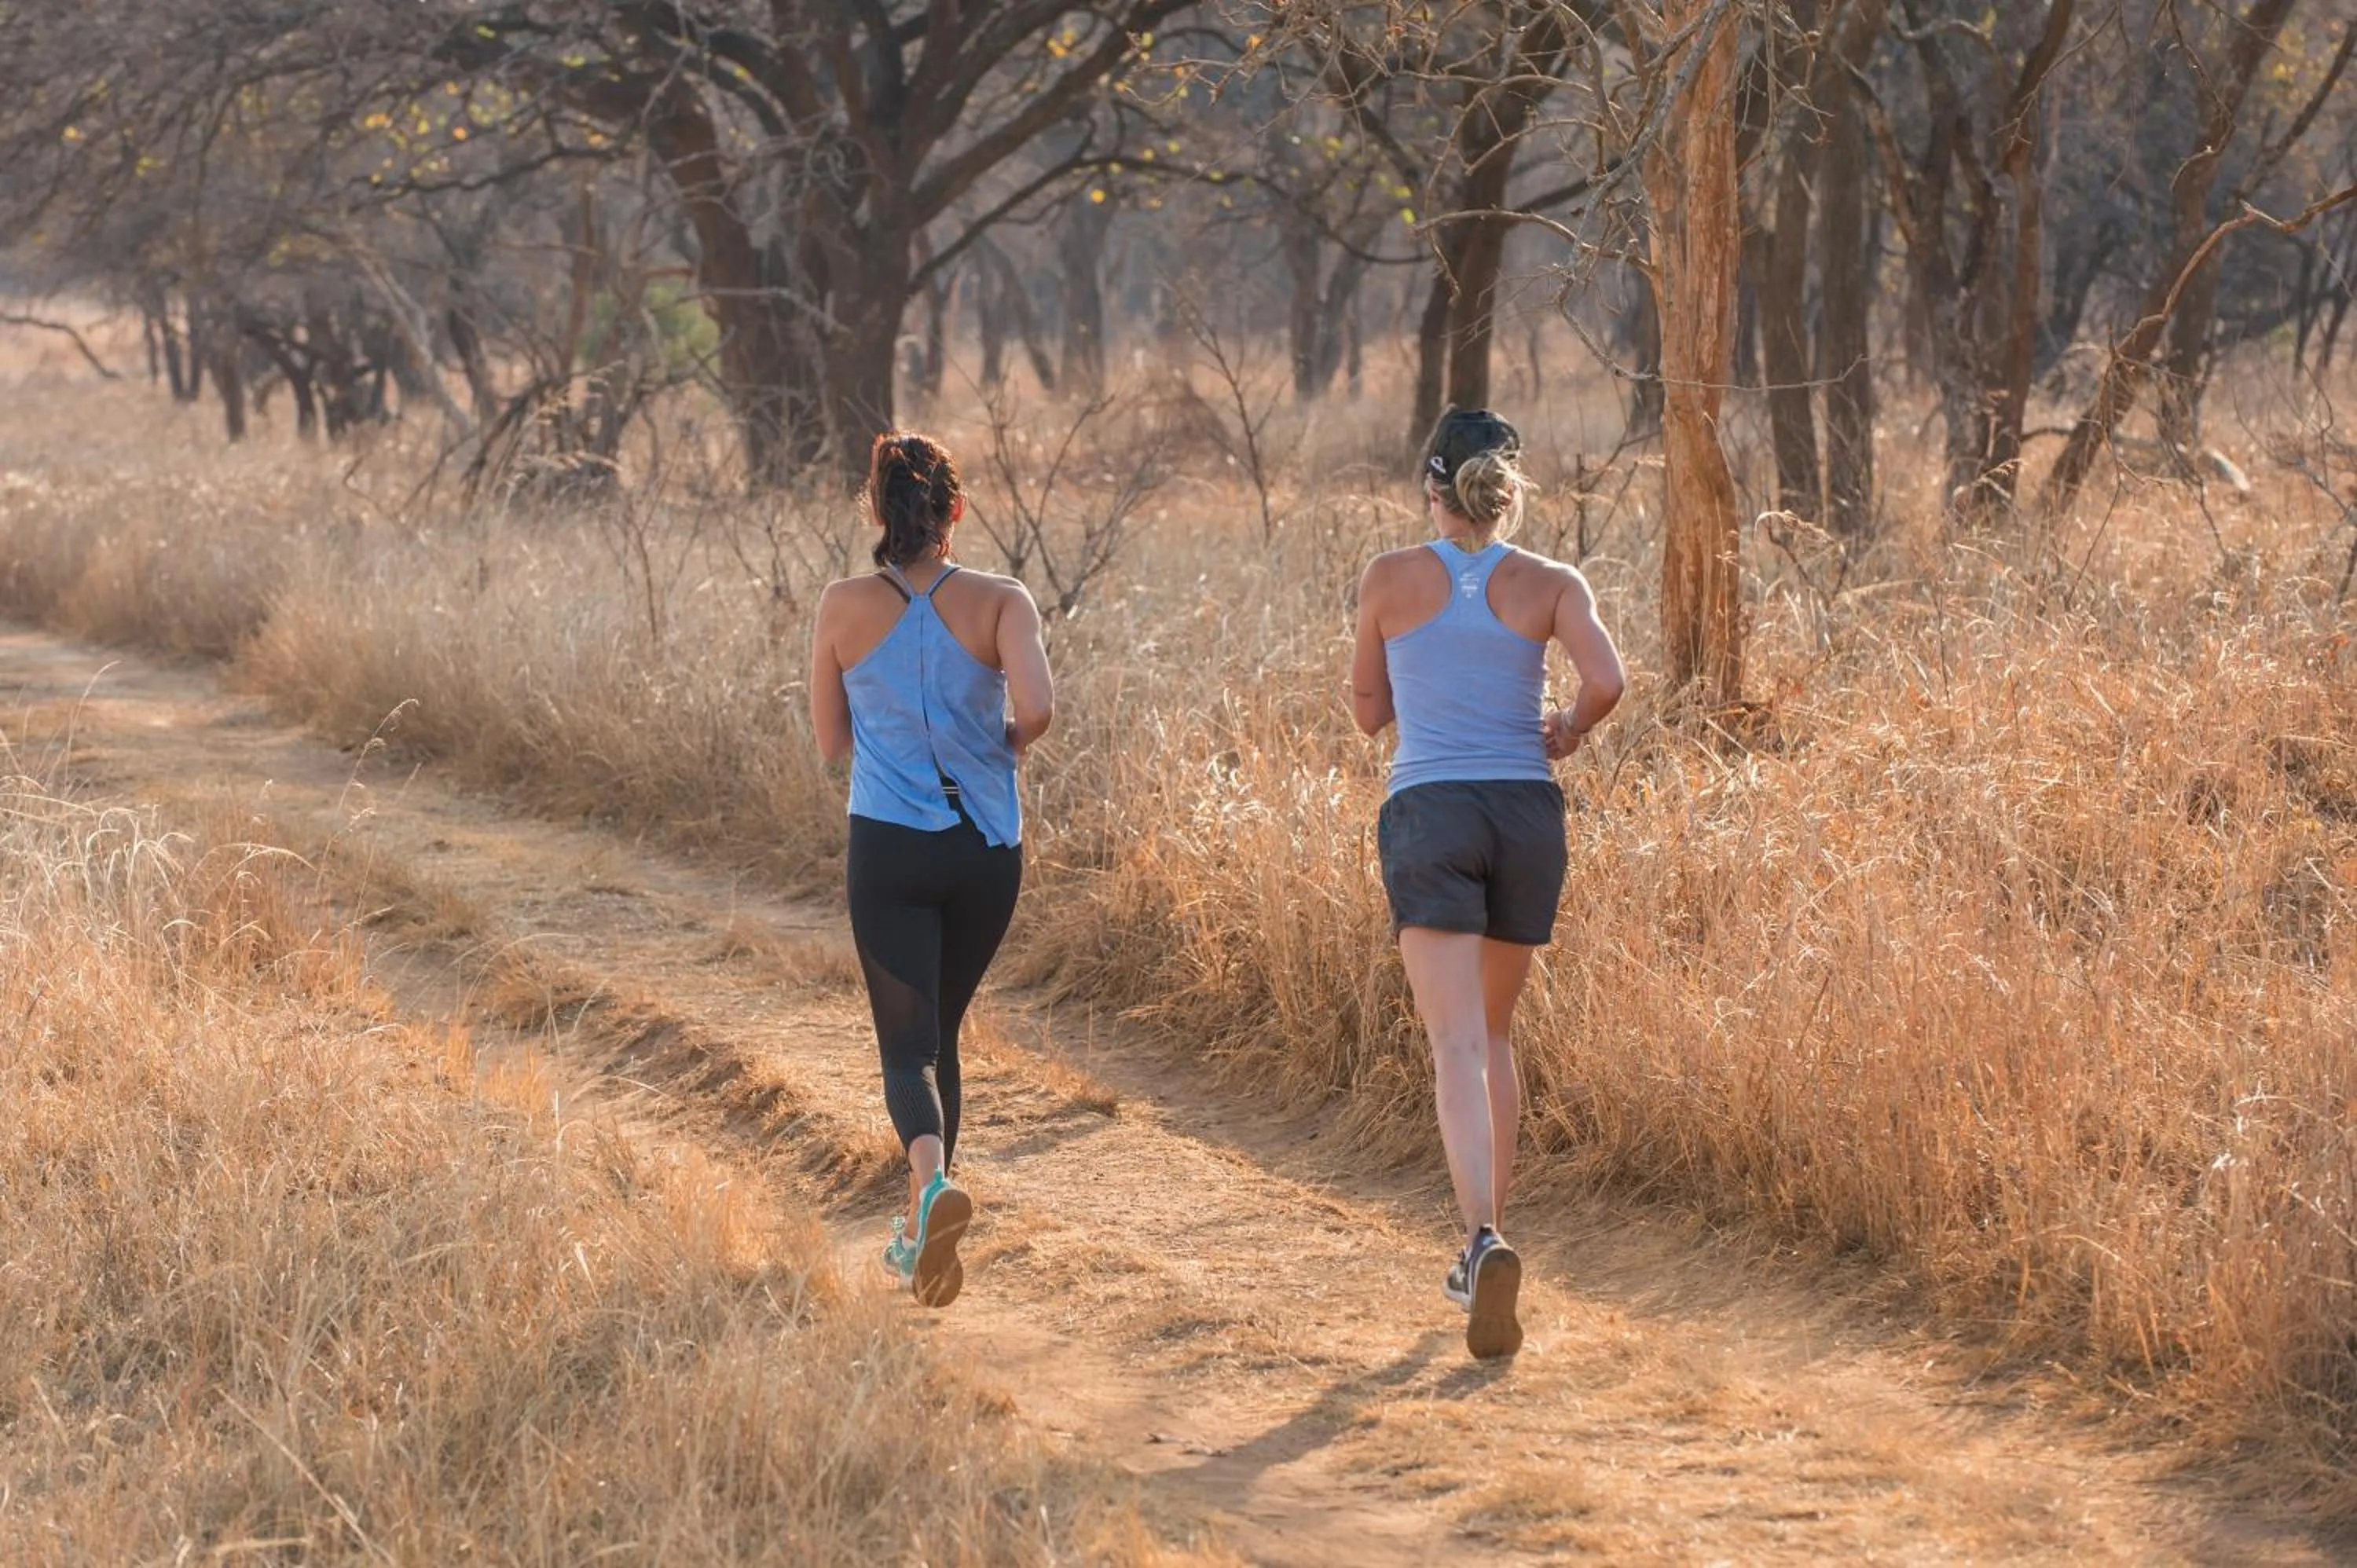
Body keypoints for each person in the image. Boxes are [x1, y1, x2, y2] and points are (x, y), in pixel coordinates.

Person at [1348, 406, 1626, 1359]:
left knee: (1455, 1042)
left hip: (1433, 811)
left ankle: (1479, 1239)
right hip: (1525, 815)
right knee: (1497, 1034)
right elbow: (1609, 680)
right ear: (1507, 494)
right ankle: (1490, 1238)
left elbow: (1367, 713)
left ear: (1433, 488)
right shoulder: (1551, 583)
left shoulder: (1390, 577)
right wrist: (1570, 728)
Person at [808, 431, 1053, 1308]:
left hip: (890, 846)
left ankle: (932, 1185)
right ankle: (924, 1233)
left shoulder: (841, 605)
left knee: (905, 1049)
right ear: (956, 511)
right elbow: (1039, 707)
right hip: (987, 849)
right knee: (943, 1031)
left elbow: (833, 742)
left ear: (876, 512)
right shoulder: (1003, 600)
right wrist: (1005, 745)